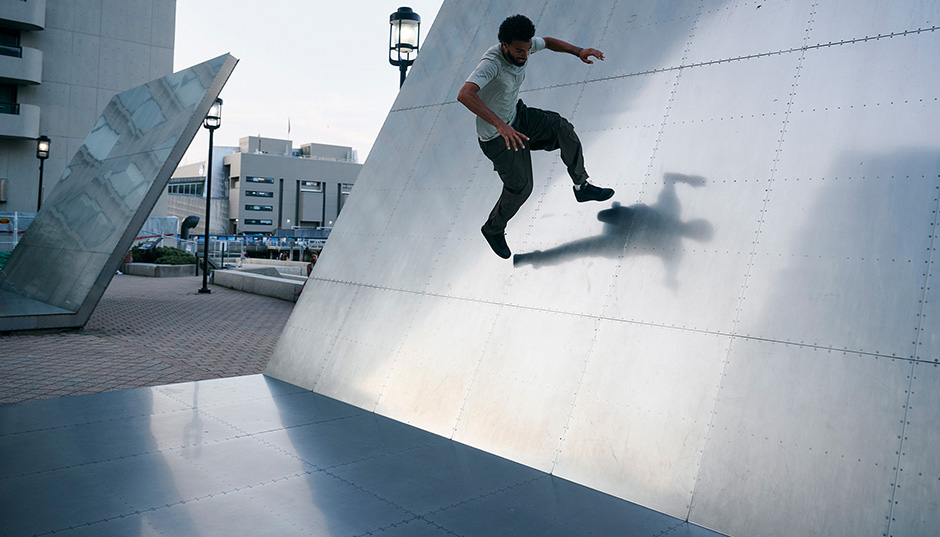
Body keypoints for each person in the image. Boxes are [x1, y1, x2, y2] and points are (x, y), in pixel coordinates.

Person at [457, 14, 614, 259]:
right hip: (496, 137)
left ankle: (581, 186)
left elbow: (549, 42)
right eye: (519, 51)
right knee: (521, 188)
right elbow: (465, 94)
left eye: (528, 50)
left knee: (563, 129)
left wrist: (578, 51)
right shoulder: (491, 63)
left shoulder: (526, 46)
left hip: (518, 117)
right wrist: (500, 125)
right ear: (505, 45)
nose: (524, 56)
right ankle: (493, 228)